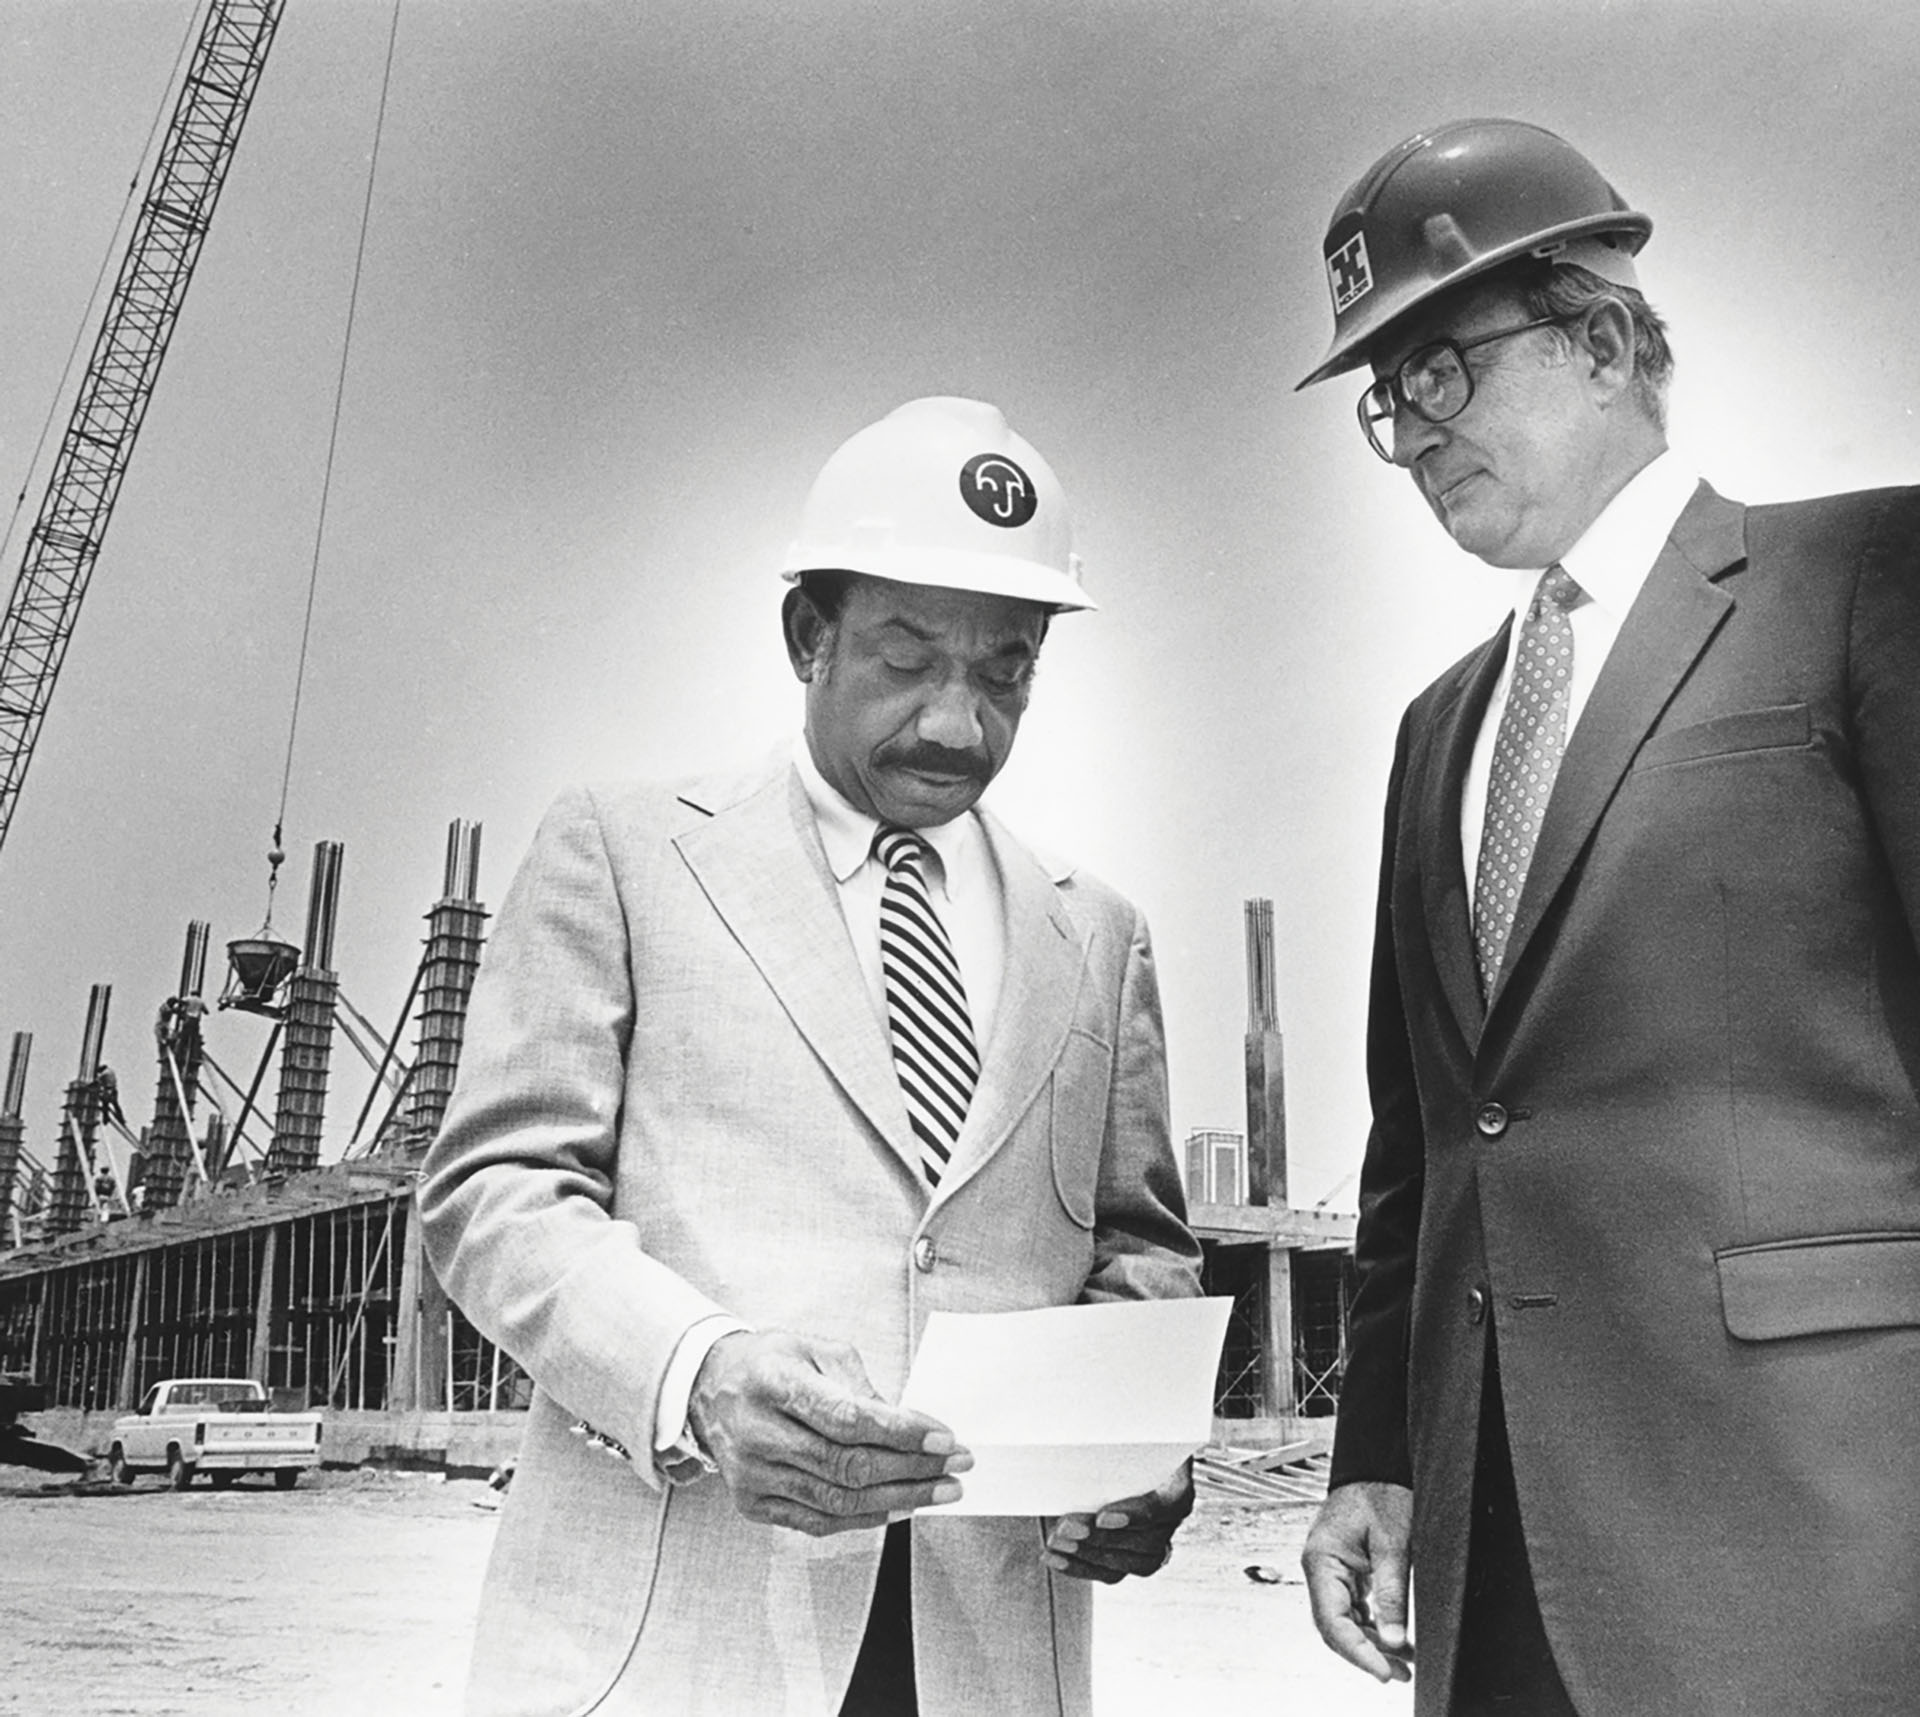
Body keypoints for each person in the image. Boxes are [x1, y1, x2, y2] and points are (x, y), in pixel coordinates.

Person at [420, 395, 1202, 1717]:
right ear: (808, 636)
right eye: (907, 658)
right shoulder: (622, 855)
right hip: (678, 1645)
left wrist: (1140, 1449)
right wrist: (699, 1373)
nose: (960, 723)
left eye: (1005, 669)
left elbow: (1139, 1245)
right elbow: (493, 1195)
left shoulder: (1100, 932)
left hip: (992, 1655)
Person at [1292, 118, 1920, 1716]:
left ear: (1603, 339)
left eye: (1442, 366)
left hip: (1820, 1551)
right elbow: (1425, 1149)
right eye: (1387, 399)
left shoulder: (1862, 578)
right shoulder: (1438, 731)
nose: (1415, 429)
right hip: (1495, 1567)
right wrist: (1376, 1453)